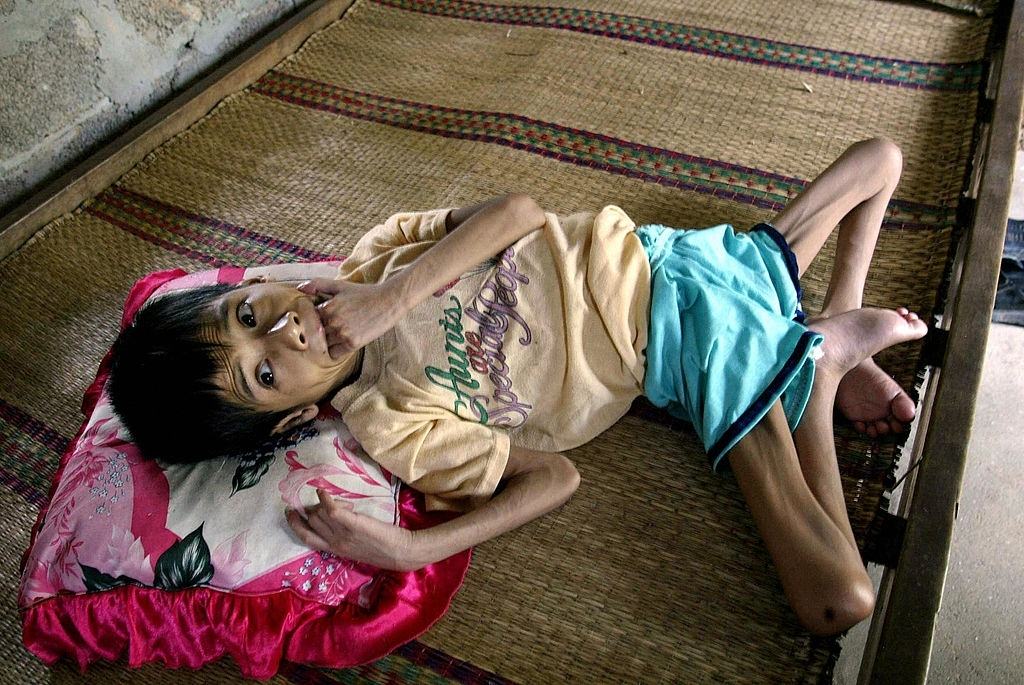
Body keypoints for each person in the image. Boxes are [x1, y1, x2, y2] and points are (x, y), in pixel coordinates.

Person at [108, 137, 924, 636]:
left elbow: (520, 211)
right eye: (263, 371)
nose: (282, 330)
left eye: (249, 311)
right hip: (686, 347)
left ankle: (818, 360)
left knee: (880, 159)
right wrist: (410, 548)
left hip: (666, 256)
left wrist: (394, 294)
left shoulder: (378, 255)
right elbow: (557, 476)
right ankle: (810, 365)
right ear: (287, 424)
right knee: (837, 598)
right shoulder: (393, 421)